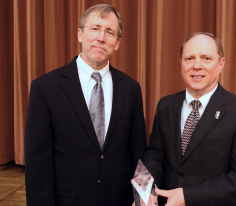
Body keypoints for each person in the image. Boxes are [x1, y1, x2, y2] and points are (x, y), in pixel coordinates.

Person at [25, 4, 147, 206]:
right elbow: (38, 161)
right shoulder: (45, 87)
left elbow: (138, 152)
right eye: (95, 28)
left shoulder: (131, 88)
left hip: (119, 200)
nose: (101, 37)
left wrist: (143, 197)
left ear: (117, 43)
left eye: (110, 32)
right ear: (80, 34)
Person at [142, 32, 236, 206]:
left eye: (206, 58)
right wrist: (144, 189)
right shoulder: (166, 106)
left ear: (221, 64)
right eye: (189, 58)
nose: (197, 66)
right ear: (181, 63)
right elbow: (155, 154)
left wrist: (187, 196)